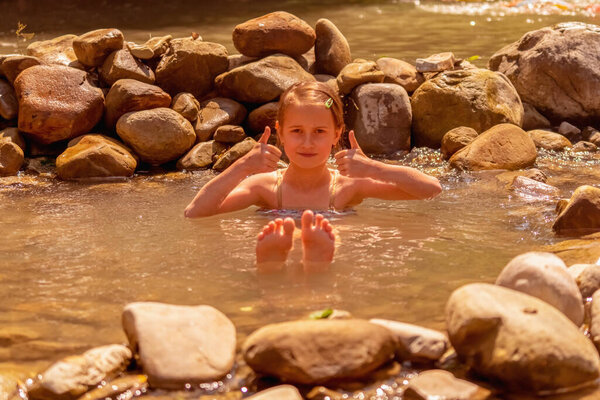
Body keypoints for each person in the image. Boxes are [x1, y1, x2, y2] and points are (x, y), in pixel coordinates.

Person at [184, 81, 442, 271]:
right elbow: (195, 213)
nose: (307, 142)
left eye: (319, 131)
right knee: (300, 234)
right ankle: (274, 263)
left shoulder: (347, 187)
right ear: (281, 133)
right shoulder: (266, 187)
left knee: (337, 234)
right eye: (297, 131)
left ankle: (310, 259)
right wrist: (243, 166)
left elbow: (431, 189)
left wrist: (373, 168)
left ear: (336, 134)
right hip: (286, 243)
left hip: (327, 245)